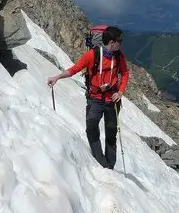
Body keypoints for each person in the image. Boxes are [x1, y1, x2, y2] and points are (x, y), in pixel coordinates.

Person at [47, 26, 129, 169]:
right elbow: (75, 69)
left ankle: (110, 166)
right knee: (91, 128)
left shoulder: (118, 56)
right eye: (119, 41)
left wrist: (120, 92)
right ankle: (101, 163)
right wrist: (57, 77)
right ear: (111, 42)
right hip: (95, 98)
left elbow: (125, 73)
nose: (121, 43)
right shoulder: (92, 55)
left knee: (111, 134)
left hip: (112, 100)